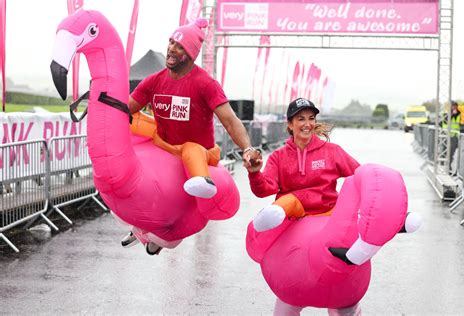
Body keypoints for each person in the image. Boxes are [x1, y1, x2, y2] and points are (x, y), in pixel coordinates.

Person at [122, 18, 262, 254]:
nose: (171, 49)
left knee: (190, 154)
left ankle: (162, 232)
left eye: (179, 46)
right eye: (170, 42)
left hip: (199, 157)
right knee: (136, 134)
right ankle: (140, 225)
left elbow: (230, 120)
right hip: (164, 150)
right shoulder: (154, 81)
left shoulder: (205, 84)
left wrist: (247, 148)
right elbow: (127, 109)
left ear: (190, 54)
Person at [244, 97, 361, 315]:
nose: (307, 123)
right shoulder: (279, 156)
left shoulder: (332, 151)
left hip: (328, 222)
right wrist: (254, 173)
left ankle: (348, 307)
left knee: (340, 296)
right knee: (290, 297)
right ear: (289, 124)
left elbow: (359, 174)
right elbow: (265, 189)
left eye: (311, 118)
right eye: (300, 119)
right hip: (294, 230)